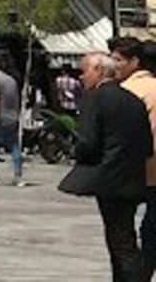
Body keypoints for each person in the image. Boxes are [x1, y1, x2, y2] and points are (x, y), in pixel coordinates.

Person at [60, 51, 156, 282]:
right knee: (124, 235)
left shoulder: (96, 98)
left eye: (84, 71)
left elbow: (88, 142)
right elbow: (146, 143)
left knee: (120, 239)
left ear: (99, 71)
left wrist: (81, 156)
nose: (81, 77)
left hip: (109, 178)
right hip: (133, 176)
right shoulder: (132, 99)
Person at [106, 37, 156, 275]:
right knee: (151, 227)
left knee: (122, 233)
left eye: (117, 60)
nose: (113, 65)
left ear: (134, 62)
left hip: (136, 168)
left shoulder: (125, 92)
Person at [0, 55, 24, 185]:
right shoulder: (12, 80)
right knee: (14, 147)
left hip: (0, 118)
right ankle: (18, 176)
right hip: (12, 118)